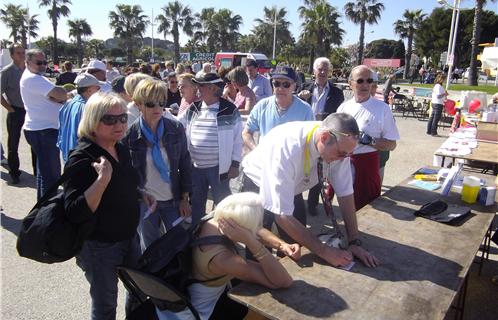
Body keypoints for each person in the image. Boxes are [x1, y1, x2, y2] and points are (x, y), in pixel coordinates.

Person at [242, 113, 379, 268]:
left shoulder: (341, 146)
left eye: (348, 154)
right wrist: (325, 251)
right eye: (341, 154)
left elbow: (345, 194)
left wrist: (354, 241)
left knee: (295, 247)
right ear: (324, 138)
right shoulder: (286, 147)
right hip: (257, 185)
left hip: (292, 187)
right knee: (258, 248)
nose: (344, 159)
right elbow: (283, 216)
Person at [63, 91, 155, 320]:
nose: (119, 124)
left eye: (123, 117)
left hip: (128, 236)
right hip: (99, 246)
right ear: (93, 121)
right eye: (110, 119)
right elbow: (74, 211)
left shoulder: (118, 147)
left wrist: (140, 194)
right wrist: (102, 180)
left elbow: (125, 182)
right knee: (105, 304)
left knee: (140, 290)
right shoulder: (82, 157)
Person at [155, 192, 295, 320]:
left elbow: (255, 230)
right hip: (196, 314)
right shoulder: (224, 259)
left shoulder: (216, 218)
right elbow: (283, 281)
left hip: (174, 301)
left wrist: (281, 245)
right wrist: (251, 242)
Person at [123, 78, 192, 251]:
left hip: (173, 200)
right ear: (138, 104)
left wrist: (185, 198)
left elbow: (185, 163)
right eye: (151, 103)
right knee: (150, 248)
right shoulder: (129, 136)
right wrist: (138, 195)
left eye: (161, 102)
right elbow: (126, 174)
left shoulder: (175, 128)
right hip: (146, 203)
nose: (158, 108)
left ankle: (175, 278)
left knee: (179, 245)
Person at [243, 65, 314, 231]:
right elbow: (246, 132)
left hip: (291, 176)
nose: (281, 88)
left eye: (286, 84)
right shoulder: (262, 106)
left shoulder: (305, 110)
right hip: (264, 173)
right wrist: (256, 150)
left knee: (294, 228)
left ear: (295, 86)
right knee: (259, 227)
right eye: (276, 83)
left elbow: (310, 143)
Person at [177, 73, 243, 224]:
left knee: (223, 204)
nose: (197, 88)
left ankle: (224, 236)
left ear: (213, 88)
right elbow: (177, 123)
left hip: (219, 168)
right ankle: (198, 235)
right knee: (198, 204)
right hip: (195, 168)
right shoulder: (193, 108)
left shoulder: (230, 110)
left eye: (201, 85)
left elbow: (238, 140)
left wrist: (235, 164)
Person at [338, 65, 399, 210]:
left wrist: (370, 141)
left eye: (369, 80)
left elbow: (392, 144)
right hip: (344, 164)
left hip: (367, 164)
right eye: (360, 81)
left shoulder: (382, 108)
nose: (365, 85)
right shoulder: (343, 108)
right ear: (350, 83)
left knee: (368, 208)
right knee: (346, 207)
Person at [297, 57, 345, 216]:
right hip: (305, 134)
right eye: (320, 69)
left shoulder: (337, 92)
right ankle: (296, 200)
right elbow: (294, 106)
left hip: (325, 135)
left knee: (318, 169)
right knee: (300, 167)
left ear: (330, 72)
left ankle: (312, 203)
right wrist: (299, 97)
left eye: (326, 69)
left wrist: (322, 116)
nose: (323, 72)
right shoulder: (304, 87)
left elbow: (339, 115)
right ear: (314, 71)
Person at [20, 49, 68, 199]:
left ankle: (43, 212)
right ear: (27, 63)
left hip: (42, 129)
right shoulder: (33, 79)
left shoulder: (37, 77)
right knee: (51, 176)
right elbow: (61, 94)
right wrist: (59, 96)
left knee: (45, 174)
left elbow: (58, 95)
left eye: (44, 62)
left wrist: (58, 96)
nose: (43, 66)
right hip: (43, 131)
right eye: (39, 63)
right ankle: (48, 214)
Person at [57, 73, 101, 162]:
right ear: (89, 90)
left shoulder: (68, 103)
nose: (100, 91)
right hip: (81, 156)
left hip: (68, 153)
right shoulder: (87, 108)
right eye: (98, 88)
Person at [1, 43, 27, 184]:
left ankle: (37, 171)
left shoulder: (29, 70)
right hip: (15, 110)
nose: (22, 55)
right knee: (13, 143)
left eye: (23, 52)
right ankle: (14, 172)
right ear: (11, 55)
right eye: (18, 53)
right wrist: (10, 109)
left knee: (35, 141)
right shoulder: (7, 71)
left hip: (30, 110)